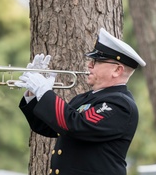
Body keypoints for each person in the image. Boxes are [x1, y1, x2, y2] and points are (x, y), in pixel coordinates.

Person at [17, 28, 146, 175]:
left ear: (117, 70)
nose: (89, 65)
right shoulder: (84, 99)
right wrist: (33, 94)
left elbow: (76, 125)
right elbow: (47, 127)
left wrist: (44, 92)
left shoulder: (121, 104)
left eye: (96, 61)